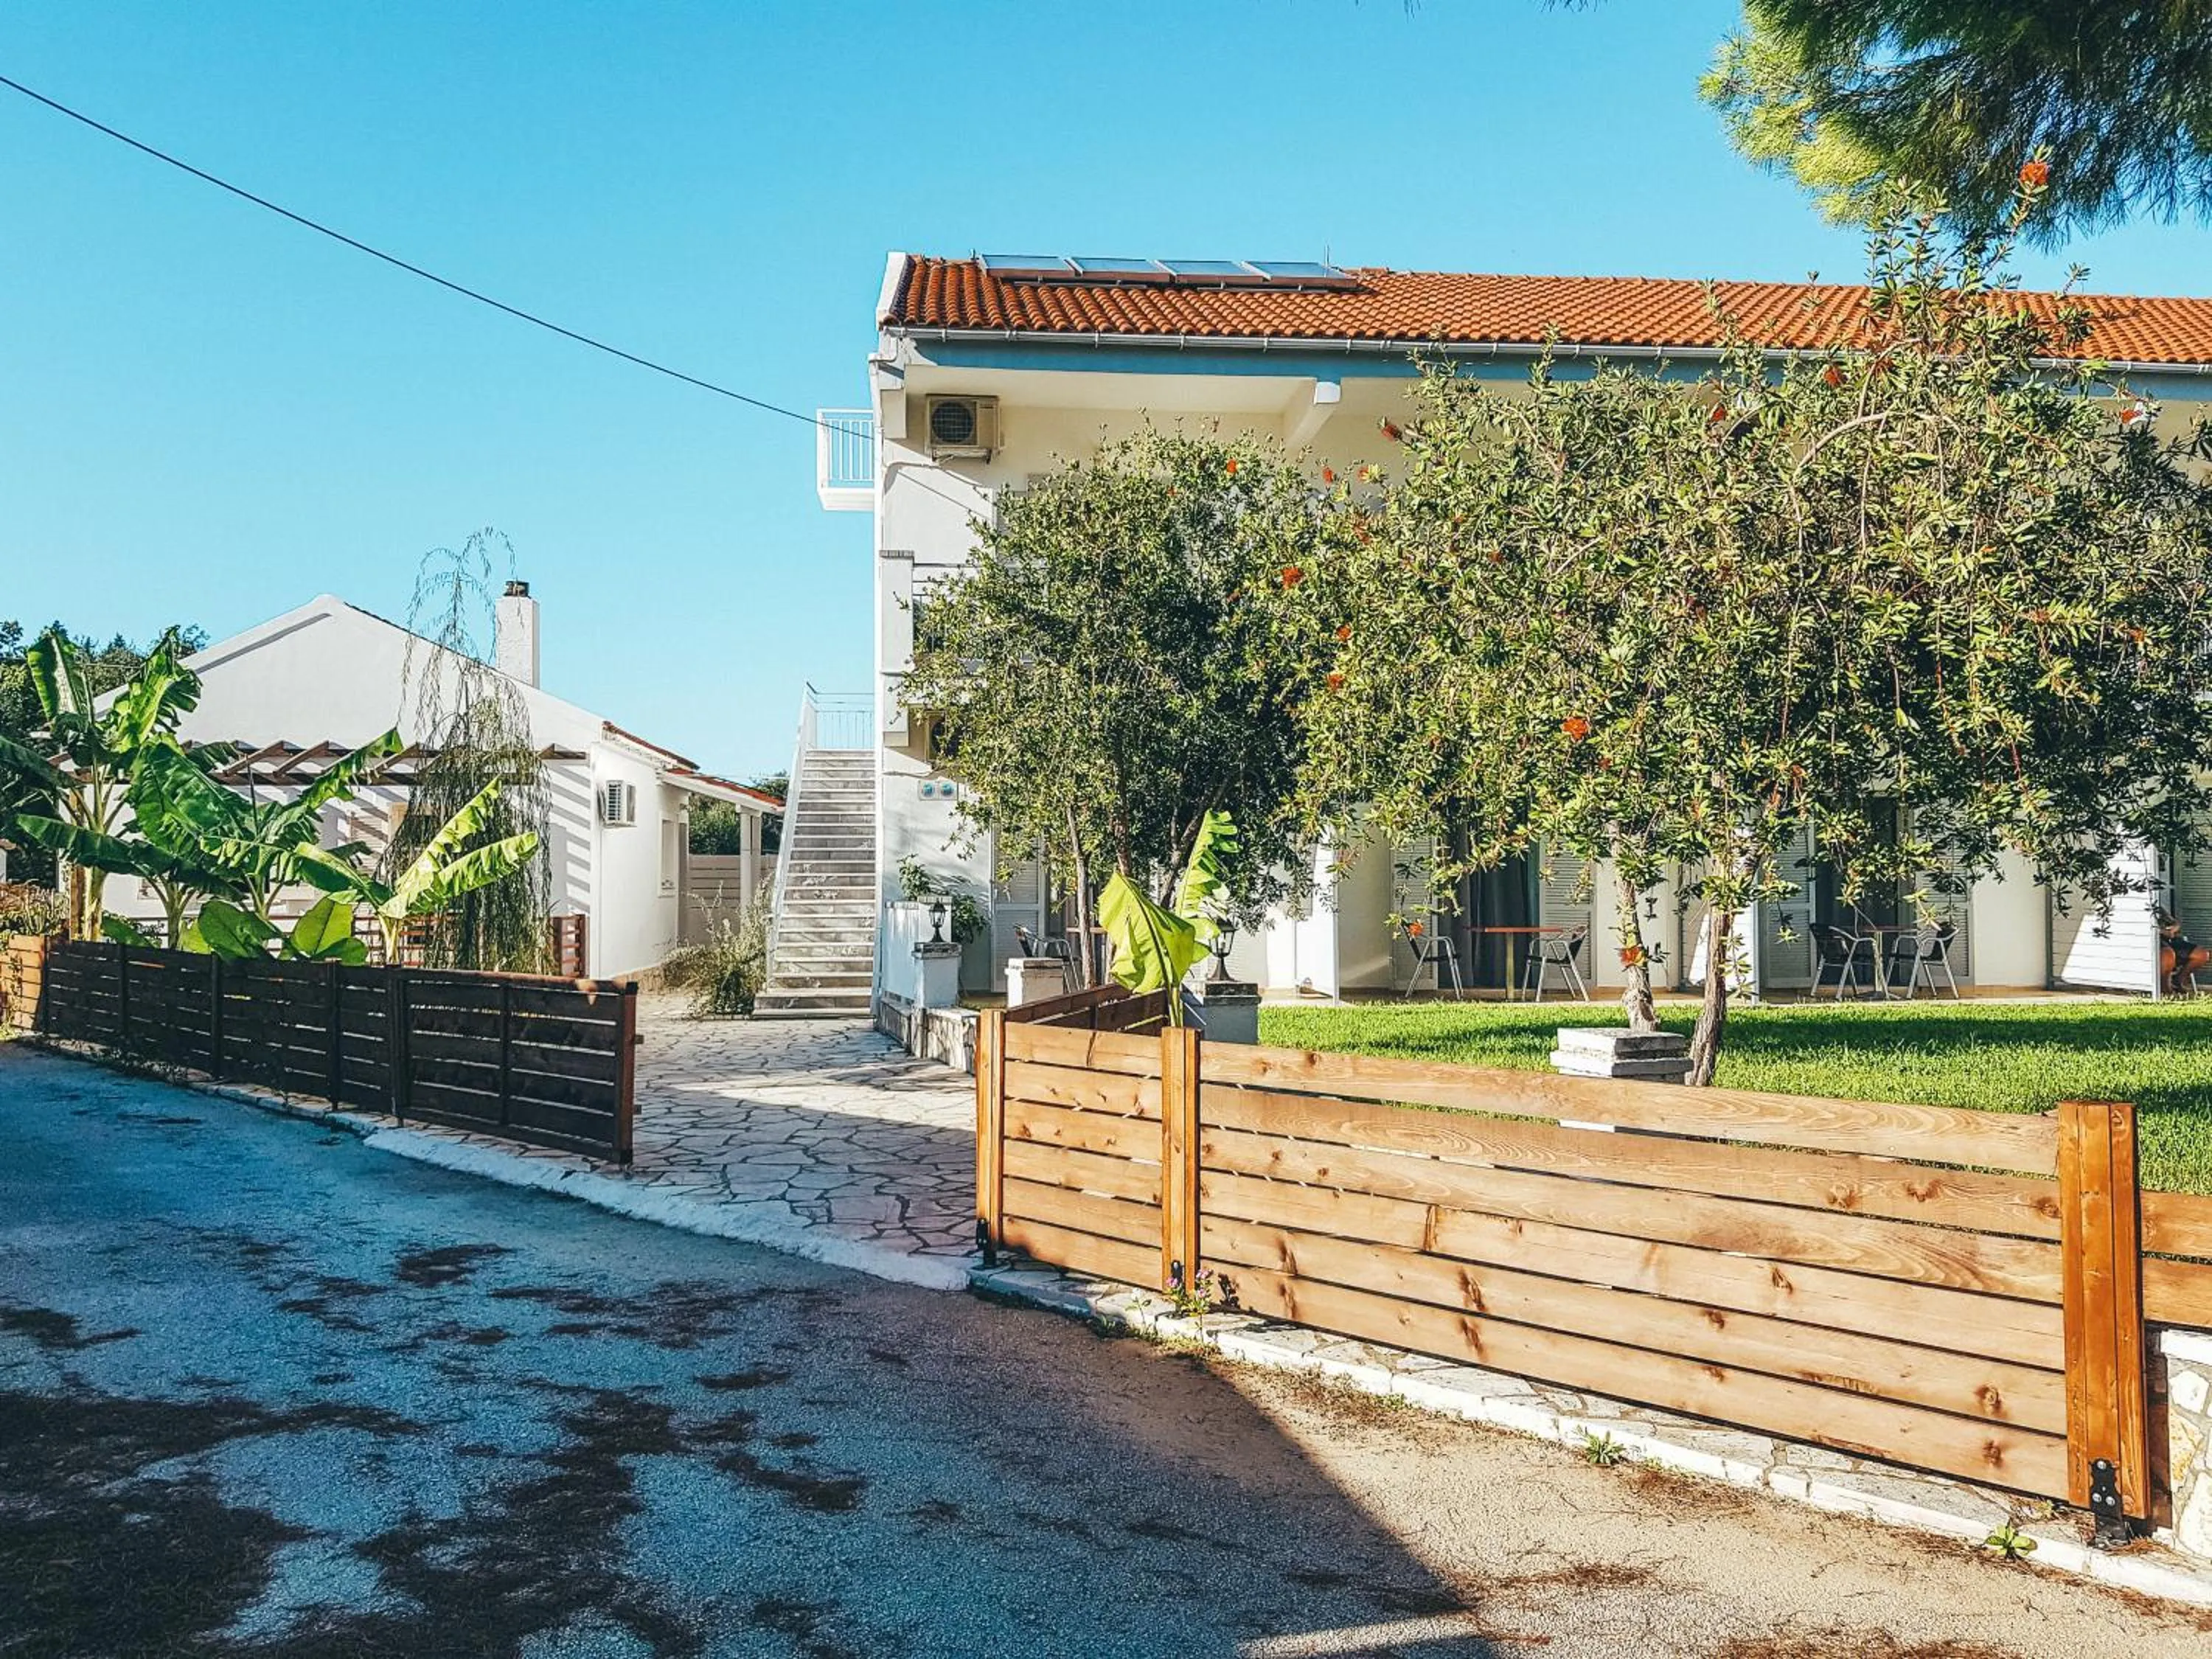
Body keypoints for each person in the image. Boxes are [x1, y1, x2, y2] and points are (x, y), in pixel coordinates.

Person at [2160, 910, 2209, 994]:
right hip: (2158, 943)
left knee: (2203, 954)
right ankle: (2166, 989)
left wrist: (2173, 929)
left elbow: (2175, 923)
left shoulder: (2158, 907)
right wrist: (2161, 932)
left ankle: (2178, 980)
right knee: (2168, 954)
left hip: (2173, 941)